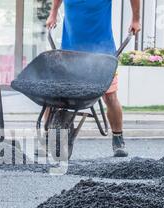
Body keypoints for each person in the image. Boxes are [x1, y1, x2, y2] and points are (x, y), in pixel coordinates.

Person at [46, 0, 141, 157]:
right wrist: (53, 13)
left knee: (110, 97)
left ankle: (118, 138)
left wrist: (136, 19)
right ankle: (46, 138)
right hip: (70, 54)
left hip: (102, 55)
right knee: (51, 95)